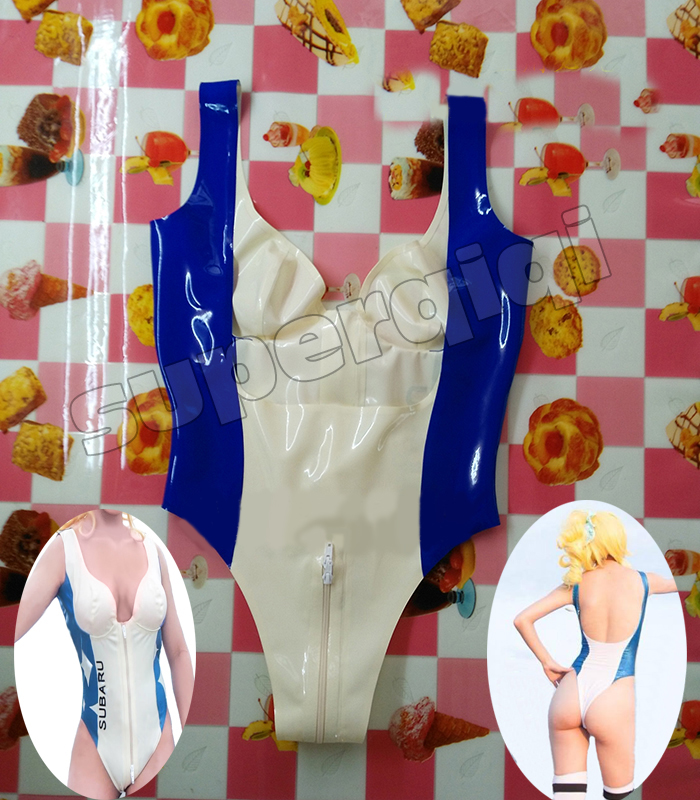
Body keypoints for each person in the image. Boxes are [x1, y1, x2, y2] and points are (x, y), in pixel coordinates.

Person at [15, 508, 194, 799]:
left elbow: (179, 651)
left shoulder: (153, 550)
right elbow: (11, 624)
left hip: (158, 740)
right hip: (95, 748)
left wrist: (192, 733)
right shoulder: (62, 551)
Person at [513, 510, 677, 800]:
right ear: (617, 539)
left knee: (568, 795)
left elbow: (522, 619)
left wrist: (547, 662)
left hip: (569, 693)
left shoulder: (576, 584)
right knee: (618, 795)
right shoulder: (644, 581)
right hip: (613, 696)